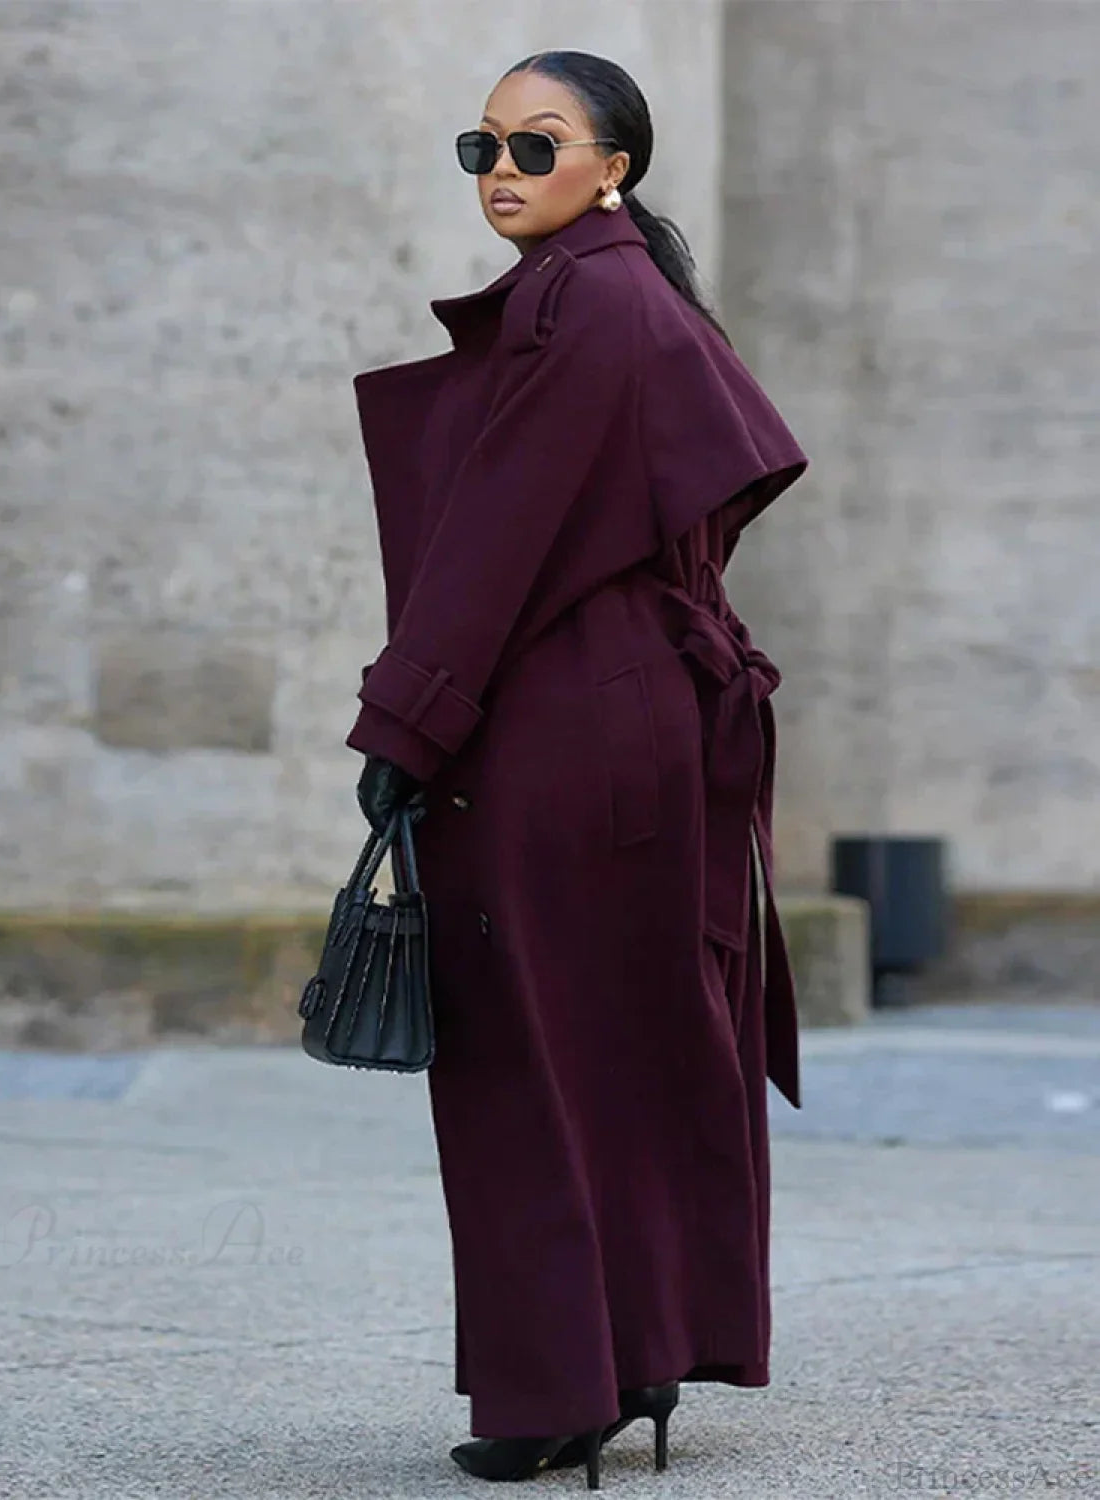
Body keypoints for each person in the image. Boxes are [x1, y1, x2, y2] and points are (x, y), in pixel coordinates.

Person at [345, 49, 809, 1490]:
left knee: (527, 1050)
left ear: (614, 164)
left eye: (536, 146)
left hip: (559, 727)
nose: (501, 168)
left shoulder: (583, 300)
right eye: (481, 142)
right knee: (628, 1038)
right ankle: (633, 1355)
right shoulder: (622, 297)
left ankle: (564, 1385)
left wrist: (403, 725)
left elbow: (498, 532)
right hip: (631, 717)